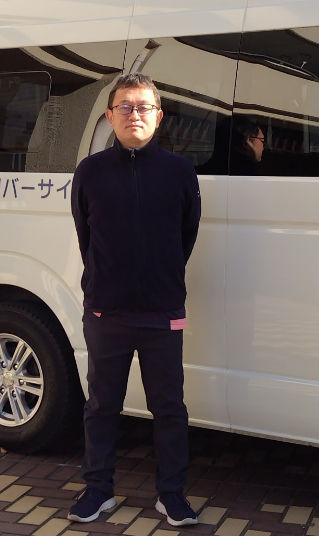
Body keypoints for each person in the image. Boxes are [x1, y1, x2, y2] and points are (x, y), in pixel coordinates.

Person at [68, 73, 202, 527]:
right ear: (110, 116)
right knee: (102, 405)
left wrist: (162, 279)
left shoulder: (179, 172)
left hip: (163, 312)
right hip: (106, 311)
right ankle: (98, 490)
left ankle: (171, 495)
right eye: (125, 107)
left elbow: (186, 235)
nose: (134, 115)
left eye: (144, 107)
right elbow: (86, 236)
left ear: (159, 116)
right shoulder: (90, 172)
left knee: (169, 408)